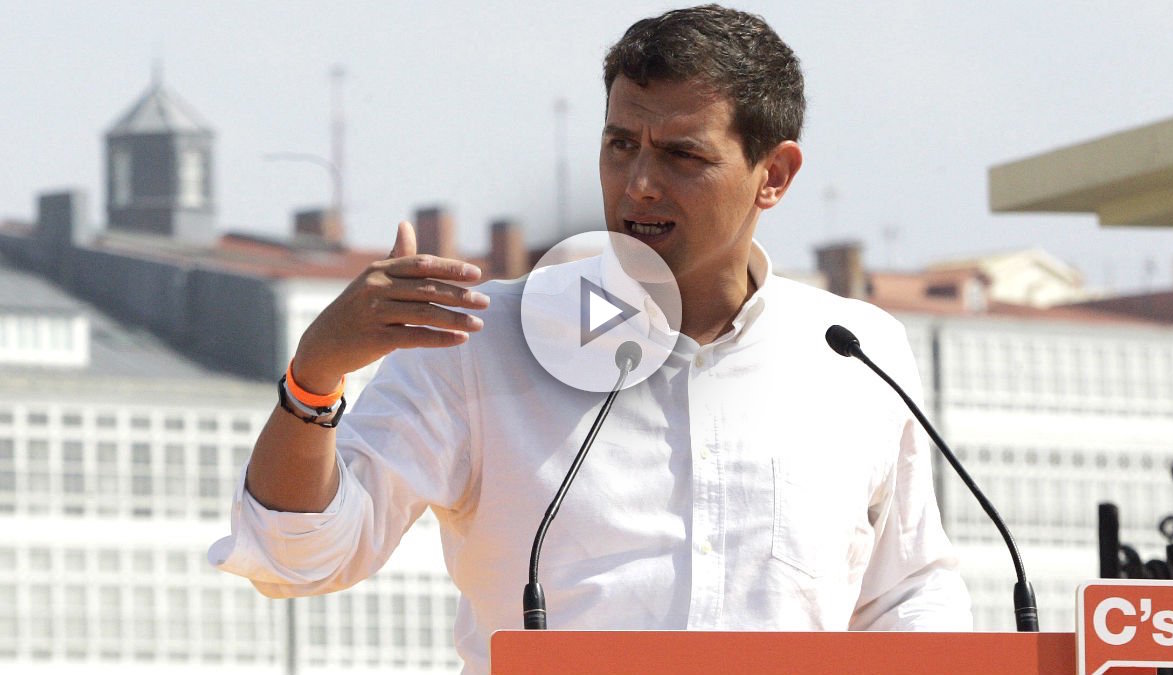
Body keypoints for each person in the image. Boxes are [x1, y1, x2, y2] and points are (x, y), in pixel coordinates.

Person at [209, 5, 972, 673]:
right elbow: (296, 558)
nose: (638, 181)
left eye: (681, 154)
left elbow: (908, 590)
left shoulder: (854, 350)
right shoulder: (477, 342)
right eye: (619, 144)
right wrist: (316, 374)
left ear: (774, 174)